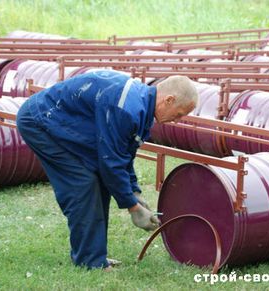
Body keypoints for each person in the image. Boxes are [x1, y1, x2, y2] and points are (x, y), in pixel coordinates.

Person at [16, 70, 198, 270]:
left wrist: (134, 191)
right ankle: (90, 261)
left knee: (99, 179)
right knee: (83, 184)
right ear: (169, 100)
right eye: (179, 114)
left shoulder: (142, 108)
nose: (177, 120)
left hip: (62, 123)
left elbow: (124, 153)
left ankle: (94, 256)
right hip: (40, 122)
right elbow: (110, 161)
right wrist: (133, 208)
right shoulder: (126, 108)